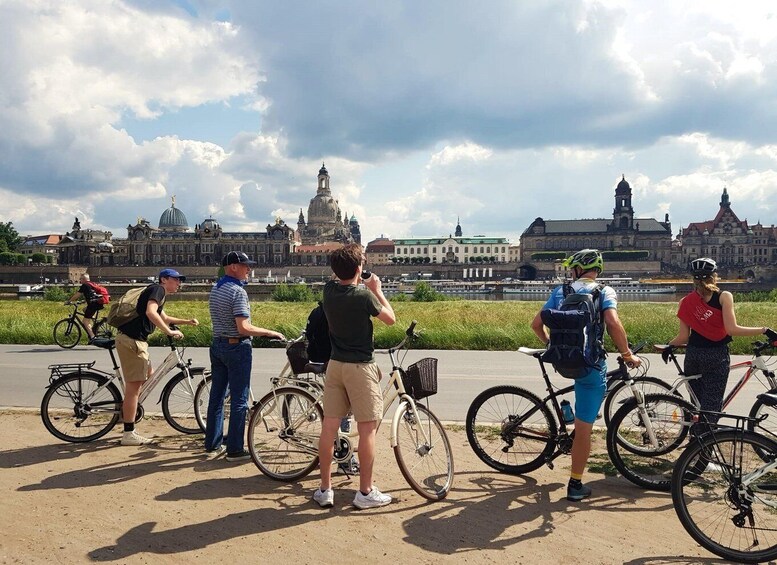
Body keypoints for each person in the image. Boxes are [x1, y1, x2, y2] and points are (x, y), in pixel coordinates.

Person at [531, 249, 641, 502]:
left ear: (577, 269)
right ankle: (575, 484)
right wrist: (627, 354)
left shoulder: (561, 291)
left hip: (563, 362)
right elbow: (612, 324)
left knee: (585, 398)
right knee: (584, 431)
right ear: (597, 270)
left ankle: (571, 412)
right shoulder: (604, 291)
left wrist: (551, 346)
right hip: (590, 366)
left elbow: (536, 325)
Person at [313, 243, 396, 509]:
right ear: (359, 268)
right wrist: (378, 290)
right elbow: (391, 319)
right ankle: (365, 492)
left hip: (335, 365)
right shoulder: (363, 296)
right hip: (360, 366)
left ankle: (325, 489)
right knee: (367, 429)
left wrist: (354, 272)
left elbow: (340, 277)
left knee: (329, 427)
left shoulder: (328, 291)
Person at [664, 257, 777, 425]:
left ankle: (695, 445)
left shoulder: (684, 302)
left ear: (693, 278)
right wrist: (764, 330)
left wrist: (668, 346)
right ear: (714, 275)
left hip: (693, 356)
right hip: (715, 356)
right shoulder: (724, 296)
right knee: (711, 409)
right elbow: (732, 330)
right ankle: (704, 449)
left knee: (697, 407)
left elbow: (683, 337)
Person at [205, 251, 285, 461]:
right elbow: (243, 328)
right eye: (245, 265)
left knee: (217, 397)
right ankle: (235, 449)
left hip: (217, 345)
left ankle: (212, 443)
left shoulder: (217, 288)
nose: (249, 269)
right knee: (240, 400)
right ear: (232, 266)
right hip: (236, 347)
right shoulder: (238, 292)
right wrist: (269, 332)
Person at [115, 268, 199, 446]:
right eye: (175, 280)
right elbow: (150, 313)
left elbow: (164, 316)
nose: (178, 283)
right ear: (164, 279)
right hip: (132, 341)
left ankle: (129, 407)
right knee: (134, 388)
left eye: (179, 280)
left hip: (134, 341)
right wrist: (168, 331)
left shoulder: (158, 292)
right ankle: (128, 432)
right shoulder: (157, 290)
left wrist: (186, 322)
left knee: (148, 374)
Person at [66, 273, 103, 341]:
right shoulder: (92, 284)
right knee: (84, 309)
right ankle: (94, 325)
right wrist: (84, 301)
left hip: (92, 305)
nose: (80, 280)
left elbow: (77, 295)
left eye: (81, 279)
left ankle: (92, 337)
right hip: (98, 303)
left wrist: (69, 301)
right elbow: (91, 295)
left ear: (84, 279)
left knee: (85, 321)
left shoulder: (85, 285)